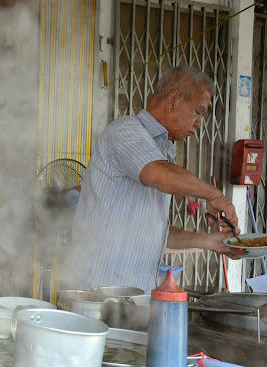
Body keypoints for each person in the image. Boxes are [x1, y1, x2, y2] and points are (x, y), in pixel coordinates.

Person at [66, 66, 240, 295]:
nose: (199, 123)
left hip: (136, 299)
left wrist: (208, 240)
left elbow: (153, 231)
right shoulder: (125, 131)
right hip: (96, 295)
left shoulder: (162, 152)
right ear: (174, 100)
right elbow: (158, 173)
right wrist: (214, 194)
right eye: (198, 112)